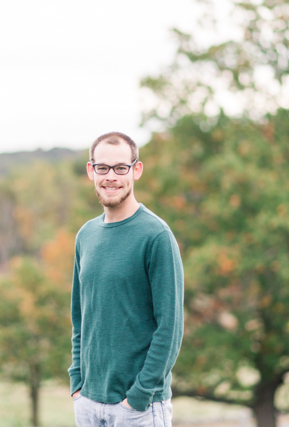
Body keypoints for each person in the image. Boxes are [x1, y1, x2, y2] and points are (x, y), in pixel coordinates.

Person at [68, 131, 184, 426]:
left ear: (136, 170)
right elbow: (80, 318)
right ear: (90, 170)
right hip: (89, 404)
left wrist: (139, 396)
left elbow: (170, 328)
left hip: (137, 410)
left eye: (121, 167)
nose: (111, 177)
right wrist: (78, 383)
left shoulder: (156, 236)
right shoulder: (86, 236)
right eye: (103, 168)